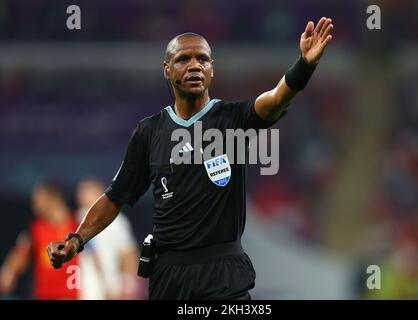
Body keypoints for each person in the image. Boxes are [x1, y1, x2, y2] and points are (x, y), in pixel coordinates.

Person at [47, 17, 334, 299]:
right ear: (167, 69)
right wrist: (76, 240)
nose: (195, 65)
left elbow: (276, 99)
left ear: (212, 70)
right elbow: (115, 197)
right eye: (184, 59)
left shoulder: (232, 118)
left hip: (224, 276)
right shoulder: (150, 131)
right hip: (170, 277)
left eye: (203, 59)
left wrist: (305, 65)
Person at [1, 182, 79, 300]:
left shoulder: (78, 224)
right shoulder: (36, 228)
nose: (34, 204)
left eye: (38, 199)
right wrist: (9, 271)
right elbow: (20, 253)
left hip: (74, 295)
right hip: (45, 296)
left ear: (54, 199)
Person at [75, 177, 140, 300]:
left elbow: (129, 254)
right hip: (81, 292)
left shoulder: (117, 221)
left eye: (88, 191)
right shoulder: (76, 219)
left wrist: (127, 288)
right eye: (81, 192)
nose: (83, 195)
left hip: (110, 292)